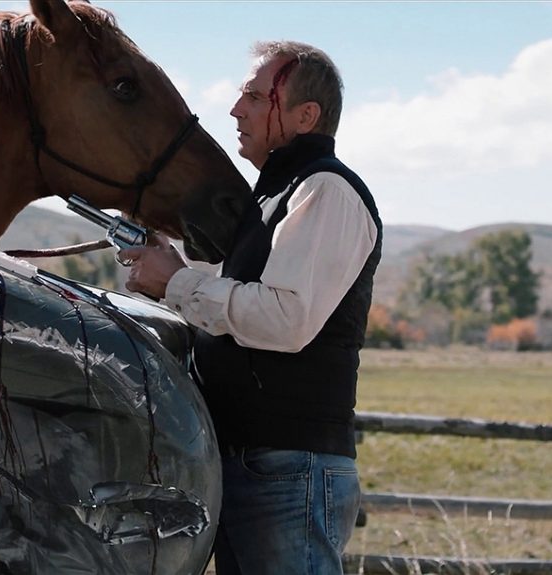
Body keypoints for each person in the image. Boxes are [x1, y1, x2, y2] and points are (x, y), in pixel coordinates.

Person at [118, 40, 382, 575]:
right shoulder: (274, 196)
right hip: (255, 464)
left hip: (288, 469)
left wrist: (177, 283)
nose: (237, 110)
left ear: (306, 116)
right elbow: (237, 316)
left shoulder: (325, 190)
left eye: (257, 98)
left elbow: (285, 321)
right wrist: (170, 278)